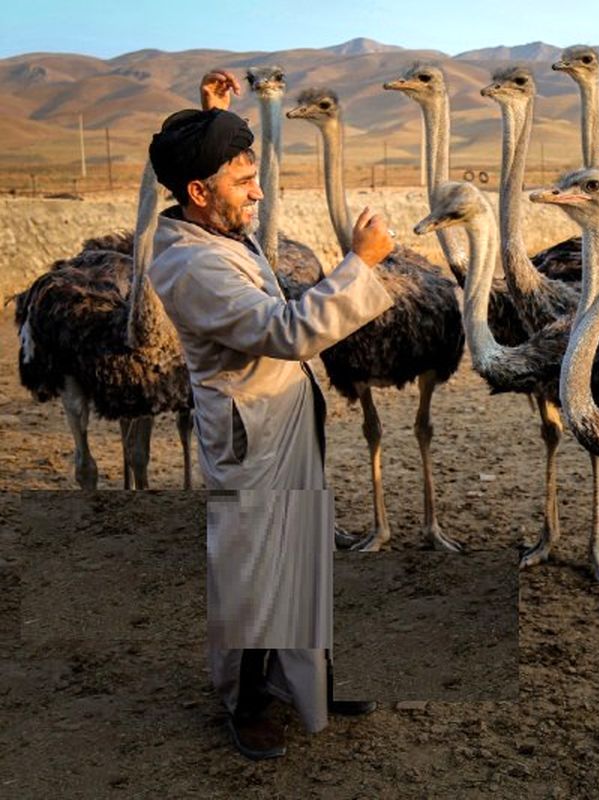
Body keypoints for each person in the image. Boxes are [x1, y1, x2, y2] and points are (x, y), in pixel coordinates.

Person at [147, 70, 394, 760]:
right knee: (253, 571)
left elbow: (229, 206)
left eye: (255, 175)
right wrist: (359, 264)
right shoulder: (189, 266)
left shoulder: (214, 223)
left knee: (300, 555)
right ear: (198, 194)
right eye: (242, 180)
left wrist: (212, 117)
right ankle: (246, 699)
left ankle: (305, 683)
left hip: (281, 416)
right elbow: (287, 331)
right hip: (250, 431)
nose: (258, 192)